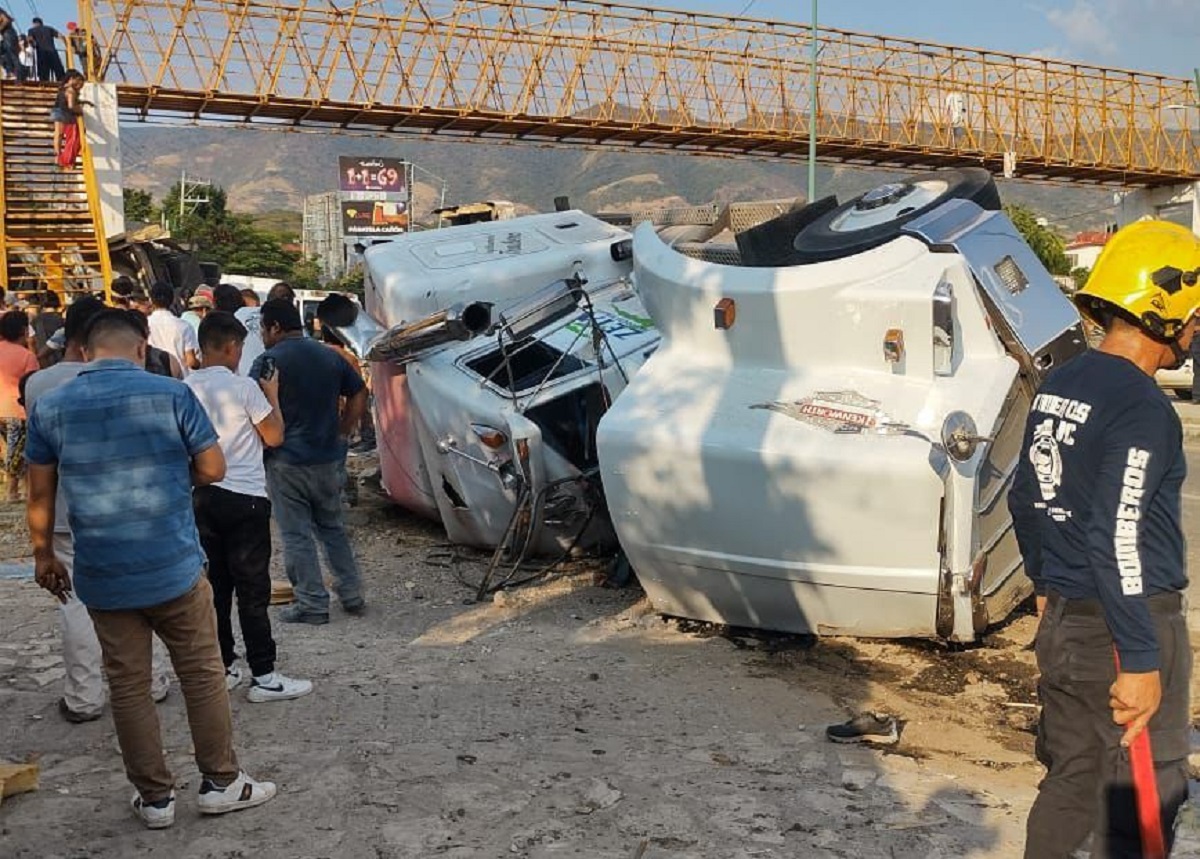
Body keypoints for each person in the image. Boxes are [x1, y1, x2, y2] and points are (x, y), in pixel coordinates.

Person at [26, 309, 276, 829]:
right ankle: (221, 783)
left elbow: (41, 492)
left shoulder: (51, 406)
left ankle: (155, 798)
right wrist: (171, 478)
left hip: (102, 572)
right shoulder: (172, 394)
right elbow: (213, 468)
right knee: (202, 675)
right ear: (142, 348)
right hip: (173, 566)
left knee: (128, 685)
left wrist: (43, 555)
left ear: (85, 352)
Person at [1010, 220, 1198, 859]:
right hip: (1126, 628)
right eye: (1193, 314)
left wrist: (1045, 585)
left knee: (1072, 780)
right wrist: (1141, 660)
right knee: (1142, 796)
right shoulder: (1142, 406)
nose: (1195, 328)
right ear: (1163, 308)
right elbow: (1118, 533)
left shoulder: (1063, 383)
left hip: (1068, 620)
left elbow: (1025, 495)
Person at [24, 297, 173, 722]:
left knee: (75, 605)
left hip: (66, 513)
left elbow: (39, 469)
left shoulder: (40, 385)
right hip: (131, 510)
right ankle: (153, 682)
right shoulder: (136, 380)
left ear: (69, 336)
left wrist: (39, 549)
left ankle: (84, 697)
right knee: (145, 596)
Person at [186, 312, 312, 701]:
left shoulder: (183, 388)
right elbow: (273, 437)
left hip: (201, 495)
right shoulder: (243, 388)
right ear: (231, 347)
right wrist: (271, 394)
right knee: (253, 590)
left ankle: (224, 666)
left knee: (216, 588)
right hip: (245, 498)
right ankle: (264, 674)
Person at [252, 299, 367, 624]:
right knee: (332, 528)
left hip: (287, 461)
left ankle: (312, 603)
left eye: (263, 328)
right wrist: (344, 430)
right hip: (328, 458)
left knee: (296, 535)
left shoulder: (268, 362)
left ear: (275, 327)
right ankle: (352, 593)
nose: (262, 335)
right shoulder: (329, 355)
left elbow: (254, 407)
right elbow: (359, 392)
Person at [0, 309, 38, 502]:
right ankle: (14, 490)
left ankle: (18, 488)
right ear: (24, 330)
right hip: (17, 409)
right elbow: (32, 383)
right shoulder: (27, 356)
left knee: (8, 449)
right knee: (19, 451)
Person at [146, 282, 199, 376]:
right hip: (180, 378)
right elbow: (191, 361)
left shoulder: (145, 325)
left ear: (150, 300)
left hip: (154, 377)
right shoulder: (185, 326)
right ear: (173, 300)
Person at [50, 70, 86, 170]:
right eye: (78, 81)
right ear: (72, 79)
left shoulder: (63, 87)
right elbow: (71, 106)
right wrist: (80, 110)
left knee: (58, 135)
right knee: (69, 136)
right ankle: (66, 159)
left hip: (57, 110)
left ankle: (58, 158)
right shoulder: (71, 90)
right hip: (64, 113)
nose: (79, 84)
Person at [26, 17, 62, 81]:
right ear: (41, 23)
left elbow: (30, 39)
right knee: (58, 68)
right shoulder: (49, 28)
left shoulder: (31, 30)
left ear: (34, 23)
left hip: (41, 52)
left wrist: (33, 45)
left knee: (43, 71)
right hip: (52, 51)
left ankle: (44, 83)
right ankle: (61, 81)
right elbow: (60, 35)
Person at [0, 9, 22, 82]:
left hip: (8, 34)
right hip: (7, 34)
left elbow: (6, 20)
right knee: (6, 55)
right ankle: (11, 73)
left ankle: (18, 76)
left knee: (12, 55)